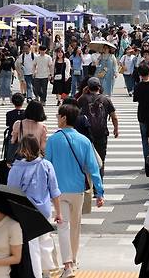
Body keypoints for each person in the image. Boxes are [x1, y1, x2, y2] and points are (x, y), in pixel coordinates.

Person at [45, 104, 105, 278]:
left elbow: (47, 166)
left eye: (58, 116)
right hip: (78, 190)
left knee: (62, 227)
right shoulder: (84, 140)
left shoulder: (53, 140)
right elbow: (94, 168)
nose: (56, 118)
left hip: (58, 191)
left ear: (64, 118)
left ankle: (67, 265)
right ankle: (74, 259)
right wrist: (99, 193)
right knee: (75, 227)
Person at [7, 135, 62, 278]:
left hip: (26, 212)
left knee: (33, 247)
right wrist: (58, 212)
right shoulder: (46, 165)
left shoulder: (17, 168)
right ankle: (47, 272)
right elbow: (54, 191)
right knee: (45, 242)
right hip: (44, 211)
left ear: (23, 149)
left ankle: (36, 274)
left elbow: (11, 193)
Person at [77, 77, 119, 178]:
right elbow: (114, 117)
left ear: (88, 87)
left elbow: (74, 109)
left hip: (86, 134)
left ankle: (89, 184)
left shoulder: (83, 99)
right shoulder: (106, 99)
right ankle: (99, 186)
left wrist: (82, 94)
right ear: (99, 87)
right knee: (101, 160)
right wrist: (116, 129)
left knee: (85, 160)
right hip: (101, 133)